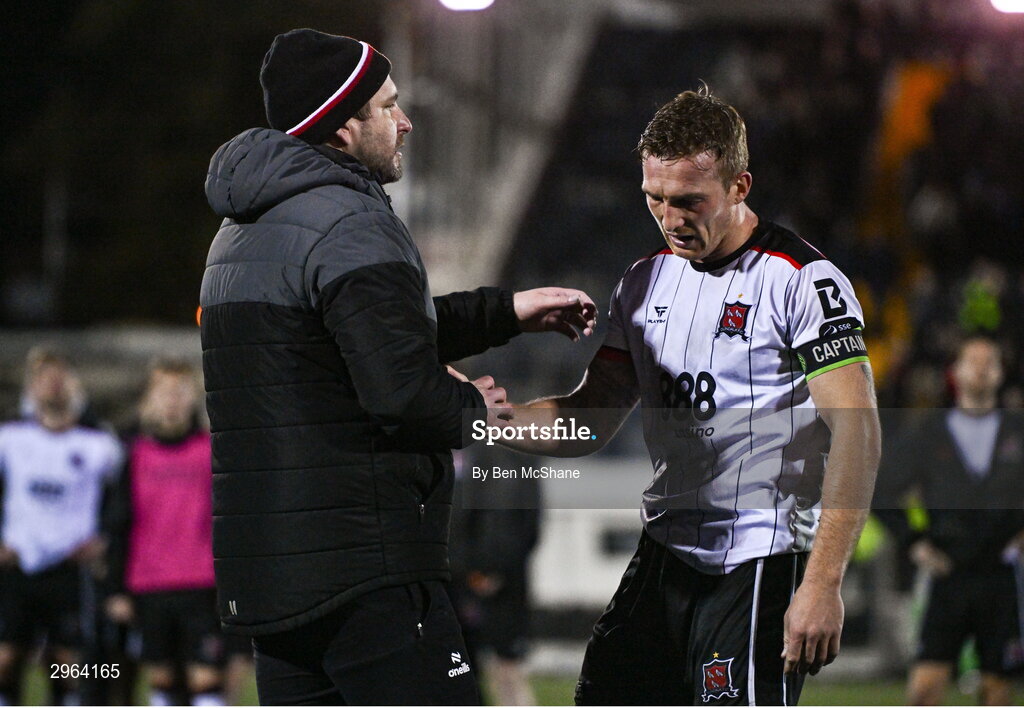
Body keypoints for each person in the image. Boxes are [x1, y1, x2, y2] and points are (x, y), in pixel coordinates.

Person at [199, 29, 597, 706]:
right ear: (344, 128)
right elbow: (400, 393)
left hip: (273, 580)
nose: (405, 120)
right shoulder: (351, 222)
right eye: (387, 106)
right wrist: (479, 413)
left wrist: (502, 312)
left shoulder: (238, 232)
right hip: (366, 570)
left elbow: (342, 343)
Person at [496, 86, 881, 705]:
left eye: (689, 201)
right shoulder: (644, 282)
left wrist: (823, 581)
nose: (671, 219)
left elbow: (857, 431)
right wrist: (479, 419)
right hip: (666, 551)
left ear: (739, 185)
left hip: (760, 558)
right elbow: (589, 419)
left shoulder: (803, 280)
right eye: (655, 199)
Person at [875, 335, 1024, 705]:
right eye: (971, 361)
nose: (980, 369)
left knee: (998, 691)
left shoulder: (1016, 432)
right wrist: (915, 542)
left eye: (989, 361)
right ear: (954, 371)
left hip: (1002, 576)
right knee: (924, 690)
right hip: (947, 574)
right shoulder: (930, 432)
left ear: (1000, 373)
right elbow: (881, 490)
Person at [0, 348, 123, 706]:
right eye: (43, 379)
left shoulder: (99, 444)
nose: (52, 386)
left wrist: (105, 541)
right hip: (18, 565)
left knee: (70, 666)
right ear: (31, 388)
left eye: (59, 378)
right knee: (6, 660)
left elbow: (124, 502)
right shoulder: (10, 438)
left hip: (71, 571)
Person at [104, 359, 228, 707]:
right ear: (150, 399)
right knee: (161, 679)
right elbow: (119, 523)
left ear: (193, 398)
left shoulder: (211, 451)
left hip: (201, 583)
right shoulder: (135, 454)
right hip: (150, 584)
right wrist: (116, 588)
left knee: (206, 678)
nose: (173, 399)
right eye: (165, 392)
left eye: (180, 391)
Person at [450, 446, 542, 705]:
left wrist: (489, 570)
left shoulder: (500, 456)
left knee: (502, 670)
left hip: (488, 578)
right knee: (488, 669)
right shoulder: (515, 454)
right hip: (481, 576)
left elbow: (512, 521)